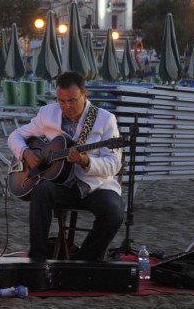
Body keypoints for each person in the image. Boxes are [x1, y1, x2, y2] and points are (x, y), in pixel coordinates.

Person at [7, 71, 123, 261]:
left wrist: (87, 162)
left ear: (85, 96)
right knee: (41, 191)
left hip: (95, 186)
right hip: (62, 185)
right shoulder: (47, 113)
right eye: (61, 101)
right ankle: (36, 258)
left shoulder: (104, 119)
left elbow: (113, 164)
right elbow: (15, 136)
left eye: (72, 101)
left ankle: (84, 261)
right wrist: (25, 153)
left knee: (115, 213)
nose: (66, 106)